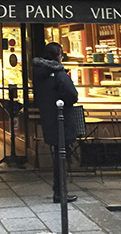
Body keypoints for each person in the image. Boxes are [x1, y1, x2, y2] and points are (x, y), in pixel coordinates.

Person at [33, 42, 80, 204]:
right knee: (61, 157)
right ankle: (59, 192)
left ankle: (59, 191)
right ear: (58, 56)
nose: (62, 57)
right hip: (62, 120)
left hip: (48, 119)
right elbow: (72, 95)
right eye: (61, 54)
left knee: (58, 155)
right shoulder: (59, 73)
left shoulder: (39, 74)